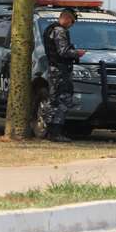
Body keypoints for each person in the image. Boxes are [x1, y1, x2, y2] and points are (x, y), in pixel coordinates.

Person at [43, 9, 86, 143]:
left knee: (53, 100)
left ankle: (49, 131)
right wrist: (77, 53)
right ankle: (56, 132)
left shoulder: (50, 29)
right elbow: (63, 51)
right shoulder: (60, 31)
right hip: (60, 71)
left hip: (54, 69)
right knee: (63, 100)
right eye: (72, 22)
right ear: (67, 19)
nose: (71, 25)